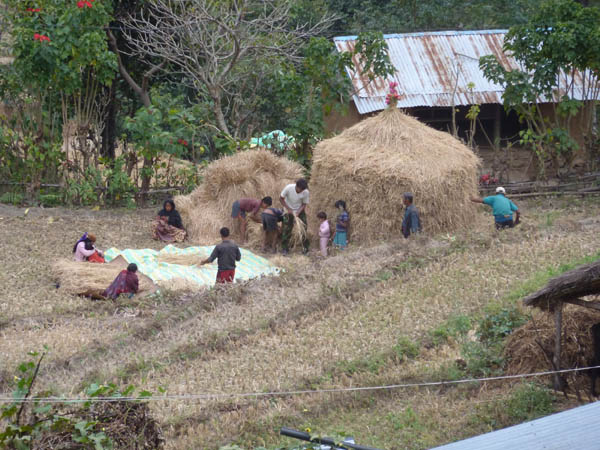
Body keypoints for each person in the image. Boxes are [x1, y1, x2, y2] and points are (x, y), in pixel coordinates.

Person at [280, 178, 310, 255]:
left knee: (304, 228)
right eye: (300, 189)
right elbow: (281, 199)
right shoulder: (289, 188)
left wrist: (298, 212)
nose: (302, 191)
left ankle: (305, 248)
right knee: (286, 229)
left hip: (299, 210)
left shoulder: (306, 192)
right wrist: (289, 209)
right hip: (287, 209)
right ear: (297, 186)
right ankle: (285, 248)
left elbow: (304, 204)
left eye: (303, 189)